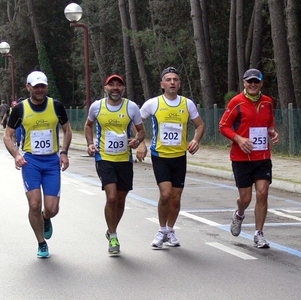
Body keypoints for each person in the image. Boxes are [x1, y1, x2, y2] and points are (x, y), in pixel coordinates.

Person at [3, 71, 72, 258]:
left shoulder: (56, 106)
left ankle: (46, 217)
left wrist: (64, 153)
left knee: (52, 208)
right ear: (28, 87)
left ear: (46, 87)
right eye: (36, 86)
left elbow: (67, 130)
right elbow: (7, 135)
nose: (39, 90)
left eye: (42, 86)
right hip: (31, 161)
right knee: (34, 204)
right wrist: (16, 155)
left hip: (51, 162)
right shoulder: (20, 109)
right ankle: (41, 243)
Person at [136, 67, 205, 248]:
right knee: (165, 194)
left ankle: (170, 230)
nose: (172, 82)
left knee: (175, 197)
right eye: (168, 79)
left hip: (179, 156)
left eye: (175, 79)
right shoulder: (153, 104)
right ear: (162, 84)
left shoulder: (187, 104)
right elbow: (136, 123)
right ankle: (161, 230)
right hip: (160, 155)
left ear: (179, 83)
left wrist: (196, 140)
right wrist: (141, 143)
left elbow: (199, 125)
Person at [84, 74, 145, 255]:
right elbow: (88, 125)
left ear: (123, 89)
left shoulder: (131, 107)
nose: (115, 88)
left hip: (124, 159)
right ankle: (113, 235)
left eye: (119, 85)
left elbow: (141, 131)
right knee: (111, 197)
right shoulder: (97, 106)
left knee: (120, 199)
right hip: (104, 158)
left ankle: (111, 229)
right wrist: (90, 143)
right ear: (106, 88)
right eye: (112, 85)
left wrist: (137, 140)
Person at [219, 68, 279, 249]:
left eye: (256, 82)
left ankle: (258, 233)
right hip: (241, 158)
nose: (253, 85)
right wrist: (238, 139)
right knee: (245, 198)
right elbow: (223, 126)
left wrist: (273, 132)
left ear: (261, 83)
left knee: (262, 193)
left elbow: (270, 123)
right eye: (249, 82)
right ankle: (239, 214)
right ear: (244, 83)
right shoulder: (236, 102)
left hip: (262, 156)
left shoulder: (268, 102)